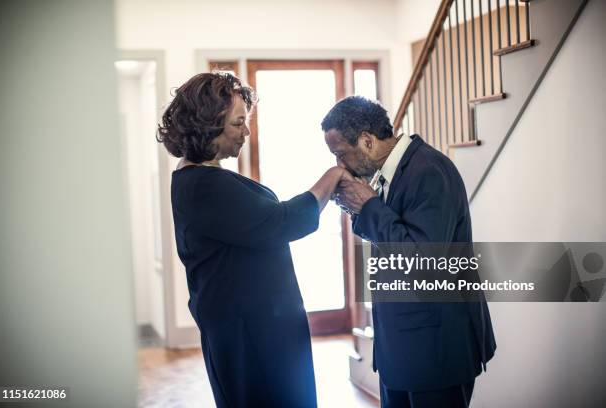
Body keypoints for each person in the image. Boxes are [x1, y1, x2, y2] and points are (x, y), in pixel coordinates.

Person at [157, 72, 350, 407]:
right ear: (208, 124)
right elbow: (282, 223)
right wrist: (331, 178)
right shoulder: (203, 186)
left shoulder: (203, 178)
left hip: (256, 330)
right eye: (238, 123)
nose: (246, 132)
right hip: (253, 338)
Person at [322, 96, 496, 408]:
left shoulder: (428, 171)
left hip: (436, 348)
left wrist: (370, 206)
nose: (339, 165)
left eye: (341, 154)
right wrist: (358, 207)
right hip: (403, 348)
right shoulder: (394, 171)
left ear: (366, 141)